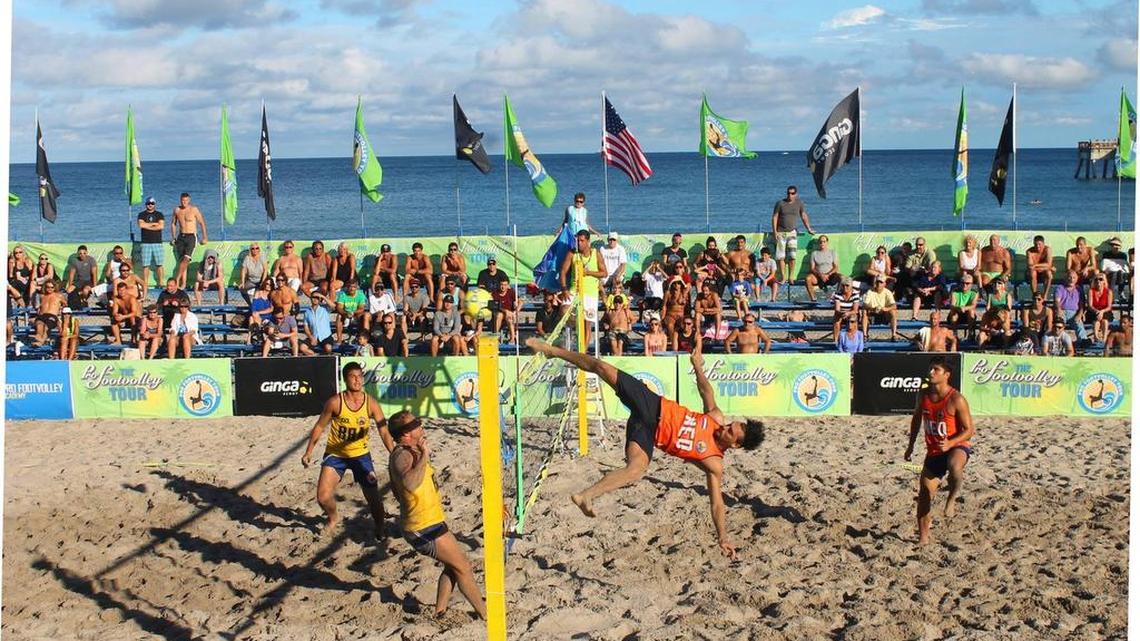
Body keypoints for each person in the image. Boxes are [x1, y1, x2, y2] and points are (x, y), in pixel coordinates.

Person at [525, 340, 764, 560]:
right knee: (602, 368)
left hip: (647, 432)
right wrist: (698, 366)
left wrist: (722, 537)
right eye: (732, 424)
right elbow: (707, 392)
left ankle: (586, 495)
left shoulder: (714, 463)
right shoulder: (715, 418)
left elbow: (717, 504)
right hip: (652, 404)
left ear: (735, 445)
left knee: (636, 470)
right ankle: (551, 350)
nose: (726, 426)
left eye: (731, 431)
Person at [387, 410, 487, 619]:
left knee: (453, 566)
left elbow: (399, 492)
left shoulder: (411, 449)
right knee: (463, 567)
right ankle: (487, 614)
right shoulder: (402, 455)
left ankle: (439, 612)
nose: (420, 426)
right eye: (415, 424)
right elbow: (409, 483)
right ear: (404, 435)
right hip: (422, 527)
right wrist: (424, 455)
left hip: (431, 520)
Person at [302, 362, 394, 540]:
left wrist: (393, 452)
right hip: (336, 454)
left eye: (360, 376)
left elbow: (384, 430)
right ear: (345, 380)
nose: (358, 380)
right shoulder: (335, 402)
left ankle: (380, 527)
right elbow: (319, 426)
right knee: (322, 497)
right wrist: (308, 451)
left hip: (361, 455)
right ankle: (333, 517)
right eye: (353, 376)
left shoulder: (371, 403)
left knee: (374, 499)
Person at [904, 356, 976, 546]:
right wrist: (911, 445)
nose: (931, 373)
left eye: (936, 370)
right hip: (934, 450)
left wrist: (951, 442)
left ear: (947, 375)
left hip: (956, 445)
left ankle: (951, 500)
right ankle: (923, 538)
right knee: (924, 494)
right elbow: (916, 420)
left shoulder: (956, 398)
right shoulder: (924, 395)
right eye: (930, 369)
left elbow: (970, 430)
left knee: (954, 466)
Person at [559, 230, 606, 349]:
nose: (579, 243)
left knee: (587, 324)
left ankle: (583, 352)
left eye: (581, 241)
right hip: (575, 290)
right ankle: (574, 327)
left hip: (590, 292)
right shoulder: (572, 253)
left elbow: (604, 273)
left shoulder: (595, 254)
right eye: (577, 240)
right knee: (564, 310)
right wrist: (564, 289)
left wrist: (588, 272)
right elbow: (563, 271)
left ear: (588, 241)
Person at [771, 185, 817, 285]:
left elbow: (803, 215)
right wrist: (774, 232)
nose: (790, 195)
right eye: (788, 193)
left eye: (792, 193)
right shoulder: (780, 203)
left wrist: (808, 228)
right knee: (781, 257)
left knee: (792, 256)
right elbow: (775, 217)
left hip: (792, 232)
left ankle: (791, 277)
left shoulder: (799, 203)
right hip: (781, 232)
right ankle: (783, 277)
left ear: (796, 194)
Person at [171, 192, 208, 290]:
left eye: (186, 200)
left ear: (189, 200)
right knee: (183, 262)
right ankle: (183, 284)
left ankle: (177, 280)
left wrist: (205, 237)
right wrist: (173, 237)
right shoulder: (177, 210)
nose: (184, 202)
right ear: (180, 200)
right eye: (183, 200)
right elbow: (173, 224)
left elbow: (202, 223)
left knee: (186, 260)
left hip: (191, 236)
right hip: (181, 237)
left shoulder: (194, 209)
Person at [137, 196, 166, 290]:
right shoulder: (141, 214)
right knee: (145, 265)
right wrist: (154, 224)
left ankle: (161, 282)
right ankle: (145, 283)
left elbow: (161, 226)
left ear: (155, 204)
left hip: (157, 242)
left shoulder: (159, 214)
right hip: (145, 242)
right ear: (146, 204)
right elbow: (141, 225)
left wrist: (147, 226)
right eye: (149, 203)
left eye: (152, 203)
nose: (150, 205)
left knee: (159, 264)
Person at [1053, 270, 1089, 343]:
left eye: (1074, 278)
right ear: (1066, 278)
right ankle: (1057, 341)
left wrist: (1080, 314)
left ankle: (1083, 342)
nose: (1071, 279)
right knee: (1059, 324)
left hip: (1074, 313)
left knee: (1079, 326)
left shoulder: (1079, 289)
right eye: (1069, 277)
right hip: (1062, 311)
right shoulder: (1060, 288)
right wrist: (1059, 310)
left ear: (1077, 279)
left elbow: (1082, 305)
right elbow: (1057, 301)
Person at [977, 278, 1012, 350]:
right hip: (991, 330)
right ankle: (980, 352)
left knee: (1007, 334)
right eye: (995, 283)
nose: (997, 285)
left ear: (1003, 285)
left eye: (999, 283)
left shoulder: (1007, 296)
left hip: (1002, 323)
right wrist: (990, 330)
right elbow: (981, 327)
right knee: (981, 335)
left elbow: (1008, 308)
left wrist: (1002, 315)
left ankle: (1005, 350)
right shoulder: (991, 296)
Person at [805, 235, 840, 302]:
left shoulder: (832, 252)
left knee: (842, 278)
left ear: (827, 242)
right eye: (820, 242)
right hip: (818, 276)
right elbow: (812, 268)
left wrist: (828, 274)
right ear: (818, 243)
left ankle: (837, 297)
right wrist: (820, 275)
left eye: (824, 241)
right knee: (808, 278)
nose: (822, 243)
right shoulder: (814, 253)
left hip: (830, 275)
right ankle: (813, 299)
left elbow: (836, 267)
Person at [32, 280, 65, 347]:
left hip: (52, 315)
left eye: (51, 287)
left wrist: (60, 309)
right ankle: (39, 338)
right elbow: (37, 306)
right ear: (45, 287)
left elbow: (65, 304)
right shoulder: (42, 296)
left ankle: (41, 341)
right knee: (39, 325)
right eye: (47, 287)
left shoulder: (59, 296)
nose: (49, 289)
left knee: (47, 326)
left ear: (54, 288)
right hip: (42, 315)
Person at [64, 244, 98, 309]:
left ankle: (84, 300)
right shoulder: (75, 261)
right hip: (79, 281)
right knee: (69, 290)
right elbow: (71, 274)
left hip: (88, 281)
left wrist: (95, 286)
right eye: (80, 253)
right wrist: (70, 285)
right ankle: (79, 298)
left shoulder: (91, 260)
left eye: (84, 253)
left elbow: (94, 274)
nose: (82, 255)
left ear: (87, 253)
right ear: (78, 253)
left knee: (85, 291)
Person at [946, 274, 979, 341]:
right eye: (963, 283)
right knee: (954, 313)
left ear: (971, 284)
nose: (965, 285)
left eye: (967, 283)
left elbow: (973, 305)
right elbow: (952, 305)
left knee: (971, 311)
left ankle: (970, 334)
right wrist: (959, 308)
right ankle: (954, 335)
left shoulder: (974, 293)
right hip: (957, 313)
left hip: (967, 314)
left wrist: (964, 308)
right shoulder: (955, 292)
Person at [603, 286, 634, 356]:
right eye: (616, 302)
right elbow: (603, 320)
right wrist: (605, 324)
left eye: (619, 302)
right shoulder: (610, 312)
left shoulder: (626, 311)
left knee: (620, 342)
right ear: (613, 303)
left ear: (622, 303)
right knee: (613, 343)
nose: (618, 304)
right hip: (613, 331)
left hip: (622, 331)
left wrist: (629, 324)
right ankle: (617, 357)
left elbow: (634, 319)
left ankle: (617, 357)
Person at [1086, 273, 1114, 342]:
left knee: (1105, 321)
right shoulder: (1091, 291)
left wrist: (1101, 311)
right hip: (1093, 311)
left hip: (1105, 311)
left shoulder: (1108, 291)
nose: (1098, 281)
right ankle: (1096, 338)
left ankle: (1104, 339)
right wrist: (1097, 311)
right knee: (1096, 322)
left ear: (1104, 281)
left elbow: (1109, 306)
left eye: (1101, 279)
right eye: (1096, 279)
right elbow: (1090, 306)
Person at [831, 278, 860, 343]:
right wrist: (842, 313)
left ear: (851, 286)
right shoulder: (837, 293)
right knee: (837, 320)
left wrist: (848, 313)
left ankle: (854, 339)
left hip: (851, 312)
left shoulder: (855, 294)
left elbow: (855, 310)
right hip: (841, 312)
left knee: (853, 318)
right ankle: (835, 340)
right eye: (843, 285)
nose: (845, 287)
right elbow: (837, 309)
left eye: (847, 285)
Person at [491, 279, 518, 344]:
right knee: (499, 315)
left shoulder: (511, 292)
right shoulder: (495, 293)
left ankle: (512, 338)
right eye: (501, 285)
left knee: (509, 318)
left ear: (508, 286)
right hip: (498, 314)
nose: (503, 287)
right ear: (499, 285)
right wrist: (505, 311)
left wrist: (516, 311)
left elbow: (521, 301)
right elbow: (494, 306)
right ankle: (496, 337)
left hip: (509, 315)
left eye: (505, 285)